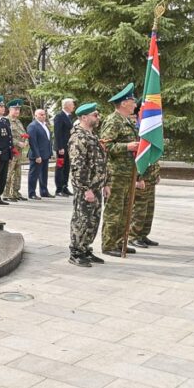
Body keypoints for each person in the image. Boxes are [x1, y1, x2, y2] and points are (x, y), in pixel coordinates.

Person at [99, 83, 141, 257]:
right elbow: (104, 145)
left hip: (127, 172)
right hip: (115, 173)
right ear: (124, 103)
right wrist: (127, 146)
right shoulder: (113, 120)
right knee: (114, 210)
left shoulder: (126, 121)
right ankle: (108, 245)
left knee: (124, 210)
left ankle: (119, 241)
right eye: (132, 101)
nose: (135, 104)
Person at [68, 103, 109, 267]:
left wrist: (105, 183)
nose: (97, 117)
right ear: (84, 117)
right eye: (95, 114)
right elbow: (78, 167)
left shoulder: (91, 135)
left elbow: (101, 163)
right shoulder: (78, 137)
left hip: (96, 187)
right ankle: (76, 252)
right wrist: (86, 190)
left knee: (93, 220)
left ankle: (85, 249)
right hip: (86, 189)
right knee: (82, 220)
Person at [128, 100, 160, 250]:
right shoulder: (138, 127)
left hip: (151, 175)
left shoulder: (149, 125)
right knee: (139, 207)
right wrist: (138, 178)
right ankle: (134, 235)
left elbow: (152, 152)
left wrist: (156, 172)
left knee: (148, 208)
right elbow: (137, 155)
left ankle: (143, 234)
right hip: (141, 175)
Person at [3, 99, 28, 202]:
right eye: (15, 109)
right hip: (11, 151)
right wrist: (18, 143)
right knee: (9, 172)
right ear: (9, 109)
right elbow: (6, 137)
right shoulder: (5, 121)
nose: (17, 111)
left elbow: (24, 133)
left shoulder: (18, 121)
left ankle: (15, 192)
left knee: (17, 172)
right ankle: (6, 194)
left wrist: (26, 141)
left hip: (19, 151)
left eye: (18, 109)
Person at [26, 108, 53, 199]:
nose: (43, 116)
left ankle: (44, 191)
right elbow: (33, 142)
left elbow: (48, 140)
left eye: (44, 114)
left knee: (43, 175)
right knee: (34, 175)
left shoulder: (45, 125)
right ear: (35, 115)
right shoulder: (32, 126)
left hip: (45, 154)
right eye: (40, 114)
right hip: (37, 155)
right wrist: (37, 155)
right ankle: (32, 193)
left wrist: (50, 153)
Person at [53, 98, 76, 196]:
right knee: (60, 167)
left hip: (68, 147)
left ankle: (64, 187)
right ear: (66, 106)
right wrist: (60, 147)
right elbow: (57, 133)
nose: (73, 106)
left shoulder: (69, 116)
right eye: (72, 105)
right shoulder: (59, 116)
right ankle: (59, 189)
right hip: (61, 148)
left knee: (66, 167)